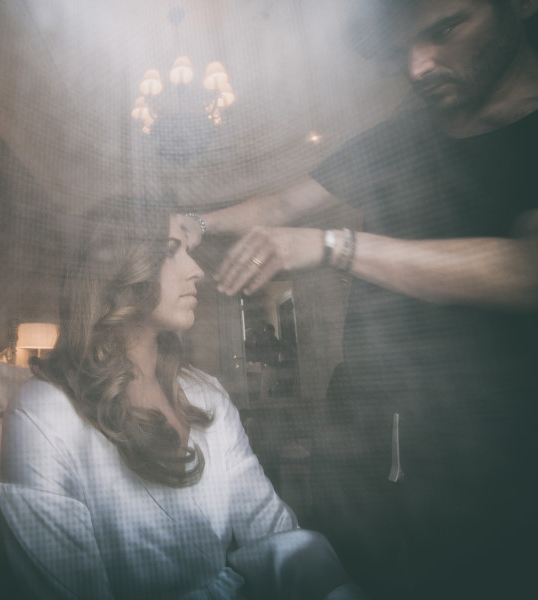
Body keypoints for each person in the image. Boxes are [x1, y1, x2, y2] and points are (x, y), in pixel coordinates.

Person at [180, 1, 538, 598]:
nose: (418, 67)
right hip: (363, 413)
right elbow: (281, 206)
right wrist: (193, 222)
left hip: (493, 435)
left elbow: (528, 269)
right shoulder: (401, 135)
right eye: (400, 52)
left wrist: (335, 245)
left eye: (446, 29)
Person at [0, 198, 365, 599]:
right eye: (172, 250)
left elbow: (275, 533)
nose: (197, 270)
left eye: (188, 251)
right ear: (120, 268)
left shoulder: (207, 395)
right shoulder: (44, 412)